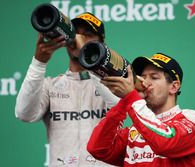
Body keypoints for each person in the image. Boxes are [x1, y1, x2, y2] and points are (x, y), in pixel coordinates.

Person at [15, 12, 119, 167]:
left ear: (102, 43)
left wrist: (91, 57)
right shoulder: (51, 86)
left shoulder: (113, 81)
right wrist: (39, 62)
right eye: (75, 33)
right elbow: (24, 114)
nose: (79, 39)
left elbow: (120, 107)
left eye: (88, 35)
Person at [87, 53, 195, 166]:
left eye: (154, 77)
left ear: (174, 87)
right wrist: (123, 103)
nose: (145, 83)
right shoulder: (134, 131)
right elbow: (98, 149)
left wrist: (131, 97)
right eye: (142, 77)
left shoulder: (192, 119)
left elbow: (164, 143)